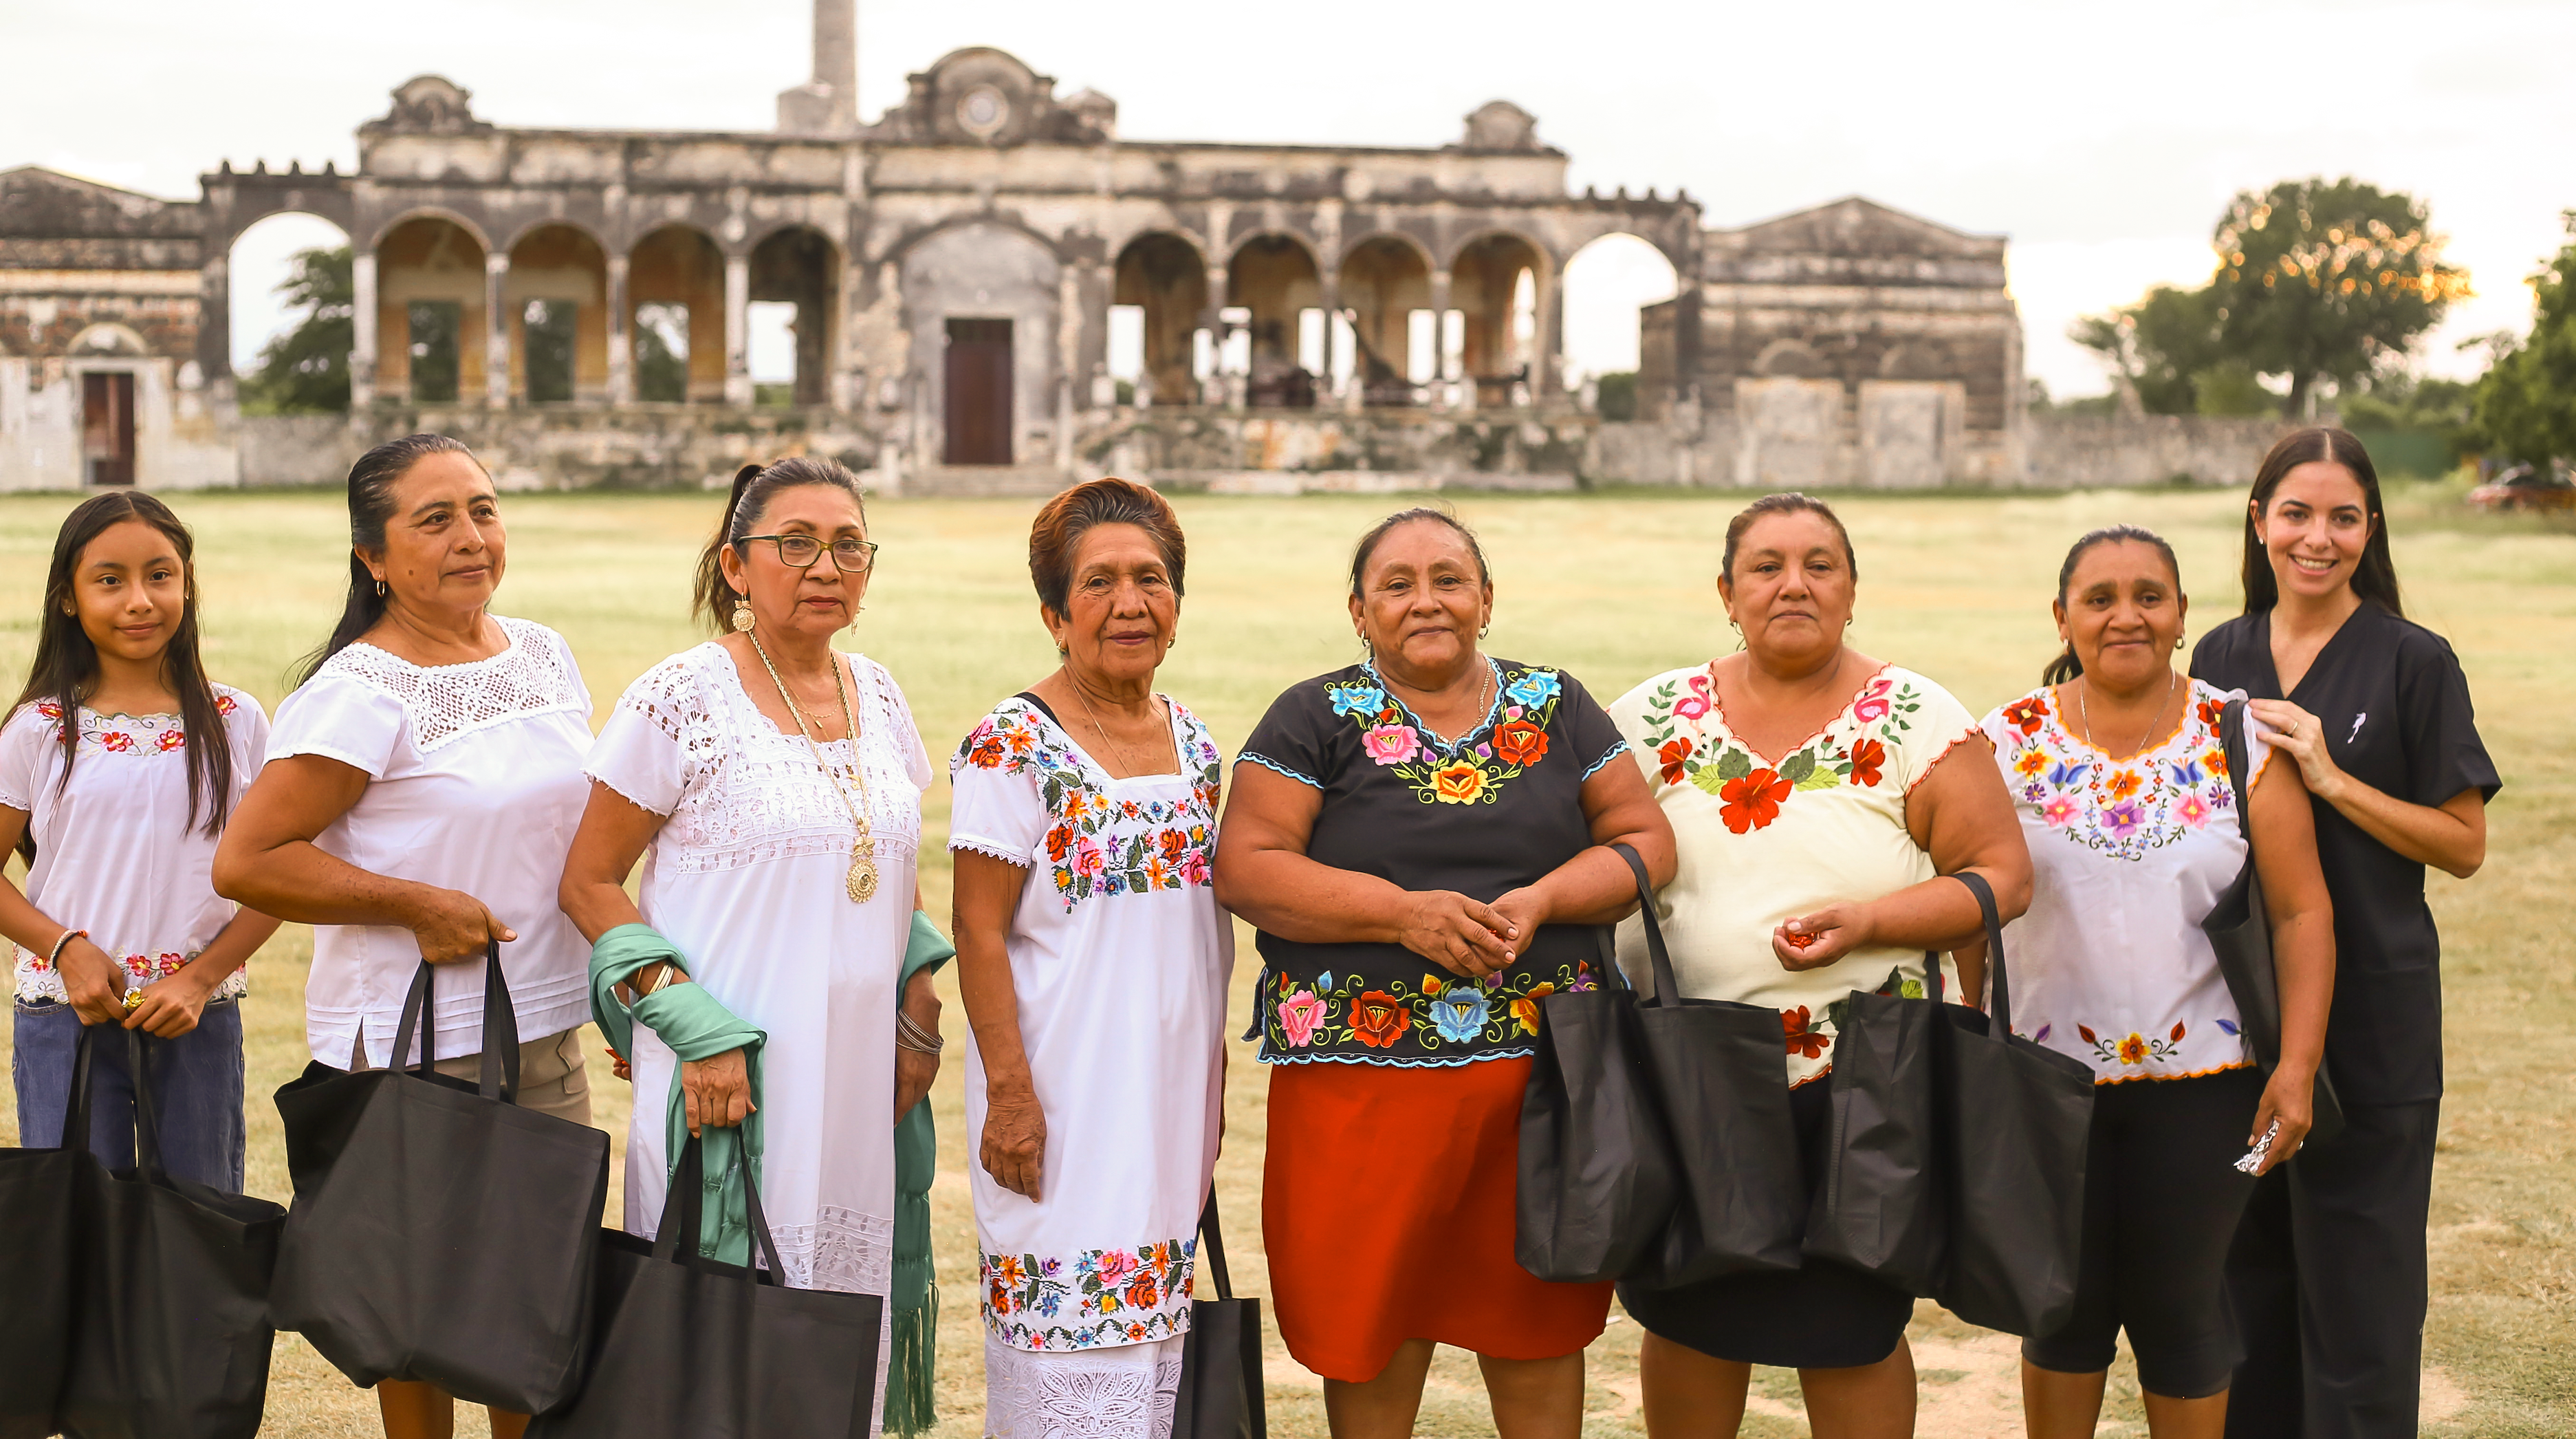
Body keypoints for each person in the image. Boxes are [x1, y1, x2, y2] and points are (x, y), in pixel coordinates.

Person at [1214, 507, 1675, 1439]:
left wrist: (1544, 899)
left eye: (1448, 580)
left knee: (1536, 1325)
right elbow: (1248, 867)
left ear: (1485, 600)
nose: (1424, 601)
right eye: (1396, 585)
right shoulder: (1314, 715)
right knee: (1371, 1324)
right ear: (1358, 611)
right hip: (1360, 1093)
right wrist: (1403, 913)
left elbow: (1643, 842)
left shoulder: (1555, 707)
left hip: (1541, 1092)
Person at [1602, 491, 2031, 1439]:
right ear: (1726, 592)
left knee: (1850, 1327)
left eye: (1818, 565)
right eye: (1764, 566)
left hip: (1862, 1085)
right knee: (1690, 1313)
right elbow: (1590, 858)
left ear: (1850, 591)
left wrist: (1872, 920)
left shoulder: (1918, 717)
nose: (1791, 584)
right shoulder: (1647, 719)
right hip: (1692, 1081)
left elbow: (2001, 877)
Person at [214, 434, 598, 1439]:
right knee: (419, 1315)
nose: (471, 536)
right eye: (434, 520)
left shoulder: (543, 652)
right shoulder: (359, 691)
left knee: (531, 1313)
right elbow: (249, 860)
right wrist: (414, 903)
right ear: (373, 558)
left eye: (483, 508)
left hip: (544, 1030)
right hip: (413, 1051)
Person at [557, 456, 938, 1431]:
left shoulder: (881, 693)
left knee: (833, 1342)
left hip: (857, 1080)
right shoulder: (679, 696)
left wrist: (920, 1003)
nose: (825, 565)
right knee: (715, 1351)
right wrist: (688, 1026)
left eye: (848, 545)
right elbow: (589, 881)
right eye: (796, 543)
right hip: (727, 1079)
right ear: (736, 566)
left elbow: (888, 861)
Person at [1980, 526, 2334, 1439]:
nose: (2124, 616)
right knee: (2061, 1312)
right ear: (2062, 617)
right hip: (2046, 1085)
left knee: (2180, 1312)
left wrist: (2294, 1067)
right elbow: (1965, 902)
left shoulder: (2234, 736)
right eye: (2098, 599)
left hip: (2206, 1086)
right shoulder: (2003, 742)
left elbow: (2300, 913)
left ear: (2181, 616)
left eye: (2149, 596)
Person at [2192, 428, 2498, 1439]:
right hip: (2241, 1021)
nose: (2315, 538)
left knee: (2360, 1313)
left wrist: (2331, 781)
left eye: (2341, 518)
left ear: (2370, 530)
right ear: (2257, 521)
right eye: (2295, 514)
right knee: (2249, 1303)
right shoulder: (2219, 656)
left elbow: (2461, 844)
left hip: (2372, 1024)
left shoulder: (2413, 660)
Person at [948, 477, 1232, 1438]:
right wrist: (1012, 1097)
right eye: (1100, 582)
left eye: (1150, 580)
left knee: (1150, 1362)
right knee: (1069, 1363)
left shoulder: (1195, 746)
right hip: (1058, 1110)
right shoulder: (1011, 746)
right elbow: (979, 933)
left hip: (1165, 1109)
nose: (1129, 604)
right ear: (1054, 613)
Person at [2, 493, 279, 1192]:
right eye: (110, 580)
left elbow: (278, 876)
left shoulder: (235, 720)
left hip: (196, 1018)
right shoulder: (39, 729)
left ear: (187, 581)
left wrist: (200, 977)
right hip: (65, 1016)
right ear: (68, 597)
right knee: (76, 1228)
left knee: (198, 1227)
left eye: (160, 575)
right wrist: (66, 950)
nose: (139, 600)